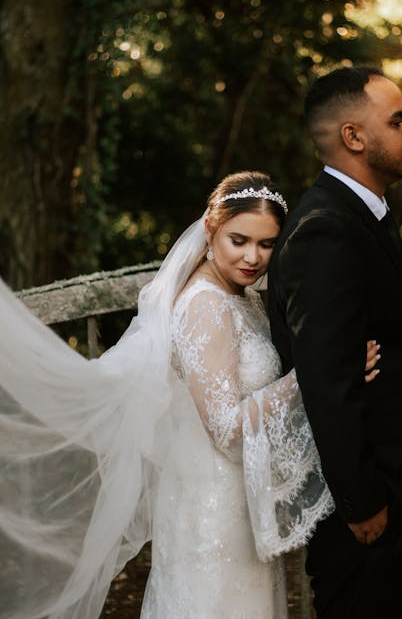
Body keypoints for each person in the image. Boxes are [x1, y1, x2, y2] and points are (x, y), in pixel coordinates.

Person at [0, 170, 380, 619]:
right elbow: (227, 427)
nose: (253, 258)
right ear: (211, 230)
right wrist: (317, 372)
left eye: (266, 244)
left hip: (237, 501)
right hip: (213, 513)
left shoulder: (241, 297)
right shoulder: (205, 305)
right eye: (239, 240)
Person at [268, 67, 402, 619]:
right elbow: (328, 382)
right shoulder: (325, 230)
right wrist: (362, 501)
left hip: (397, 505)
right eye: (396, 121)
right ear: (353, 137)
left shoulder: (363, 219)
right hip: (371, 517)